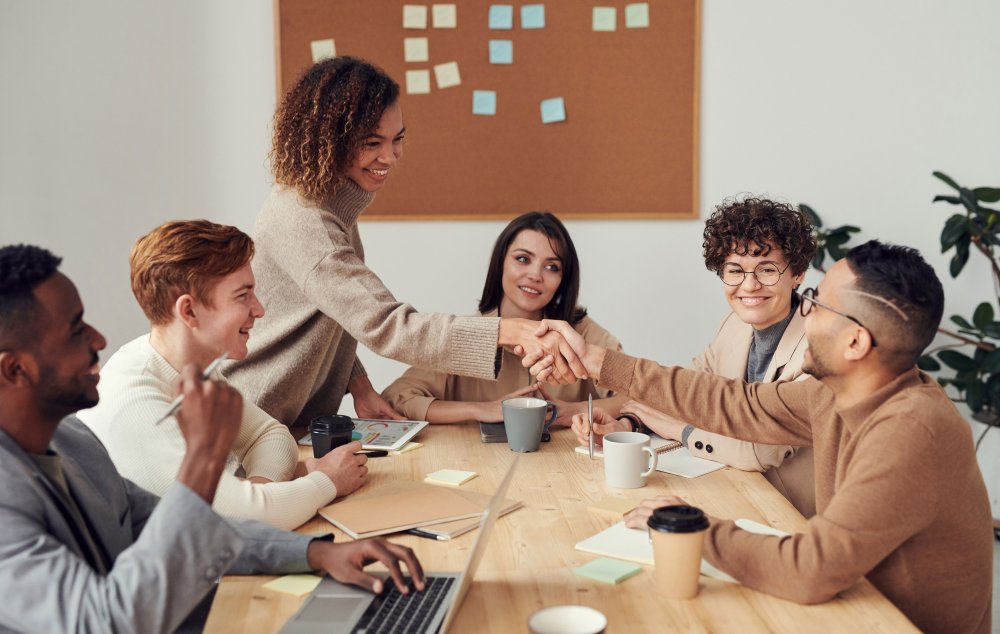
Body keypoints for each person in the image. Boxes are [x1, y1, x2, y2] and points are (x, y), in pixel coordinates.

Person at [542, 241, 991, 634]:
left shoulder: (910, 430)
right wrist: (599, 362)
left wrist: (693, 526)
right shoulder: (837, 393)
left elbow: (811, 569)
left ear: (856, 343)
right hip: (851, 602)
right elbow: (737, 404)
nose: (804, 309)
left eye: (816, 302)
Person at [0, 244, 425, 633]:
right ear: (15, 370)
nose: (99, 339)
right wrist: (203, 458)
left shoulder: (71, 440)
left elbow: (186, 528)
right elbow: (107, 622)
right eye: (76, 330)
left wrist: (316, 554)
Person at [224, 56, 585, 429]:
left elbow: (335, 313)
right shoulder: (308, 222)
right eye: (372, 142)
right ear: (330, 141)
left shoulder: (328, 205)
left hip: (288, 423)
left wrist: (359, 385)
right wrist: (505, 331)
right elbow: (387, 324)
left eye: (397, 139)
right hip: (253, 421)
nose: (390, 156)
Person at [77, 221, 367, 531]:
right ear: (188, 312)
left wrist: (259, 492)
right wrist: (326, 482)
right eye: (243, 296)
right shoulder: (136, 402)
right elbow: (239, 521)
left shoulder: (190, 367)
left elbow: (269, 435)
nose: (259, 310)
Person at [575, 197, 818, 516]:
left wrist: (681, 431)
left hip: (795, 516)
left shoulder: (818, 344)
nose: (749, 285)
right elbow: (685, 392)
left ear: (797, 273)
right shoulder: (734, 325)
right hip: (738, 493)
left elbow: (758, 452)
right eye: (735, 270)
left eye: (767, 270)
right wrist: (628, 422)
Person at [383, 212, 625, 426]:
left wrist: (575, 411)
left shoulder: (582, 333)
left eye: (552, 267)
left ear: (564, 280)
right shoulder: (467, 335)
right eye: (522, 259)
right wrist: (481, 409)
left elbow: (642, 397)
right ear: (500, 264)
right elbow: (397, 398)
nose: (535, 275)